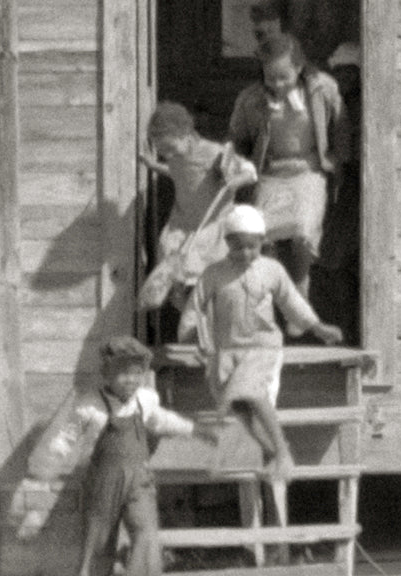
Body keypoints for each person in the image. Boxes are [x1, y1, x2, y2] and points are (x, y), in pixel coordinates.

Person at [178, 204, 343, 480]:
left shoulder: (271, 270)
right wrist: (189, 332)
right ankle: (270, 451)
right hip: (228, 349)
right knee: (238, 407)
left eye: (252, 246)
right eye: (238, 246)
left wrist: (317, 327)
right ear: (228, 243)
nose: (245, 253)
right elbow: (196, 306)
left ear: (262, 243)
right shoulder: (214, 273)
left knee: (252, 392)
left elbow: (291, 302)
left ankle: (282, 451)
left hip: (262, 347)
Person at [47, 336, 217, 576]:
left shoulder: (145, 400)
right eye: (124, 374)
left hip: (139, 479)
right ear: (106, 373)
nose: (131, 380)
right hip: (104, 483)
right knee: (99, 542)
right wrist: (54, 457)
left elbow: (162, 421)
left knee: (146, 532)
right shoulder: (90, 406)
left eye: (137, 373)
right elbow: (67, 435)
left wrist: (196, 430)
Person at [228, 34, 350, 299]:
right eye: (271, 77)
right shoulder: (251, 100)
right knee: (260, 232)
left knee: (304, 230)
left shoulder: (322, 89)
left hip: (308, 171)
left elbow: (341, 127)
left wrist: (338, 160)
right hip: (271, 173)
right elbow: (238, 140)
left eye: (284, 76)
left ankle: (301, 281)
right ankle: (273, 291)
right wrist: (239, 164)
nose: (278, 84)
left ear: (299, 68)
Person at [139, 101, 257, 310]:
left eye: (170, 148)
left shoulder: (212, 152)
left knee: (203, 275)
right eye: (162, 151)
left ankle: (206, 314)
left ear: (186, 135)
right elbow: (178, 173)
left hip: (210, 224)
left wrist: (236, 180)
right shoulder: (175, 155)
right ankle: (192, 314)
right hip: (182, 223)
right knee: (173, 271)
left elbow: (249, 170)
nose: (168, 155)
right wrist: (153, 165)